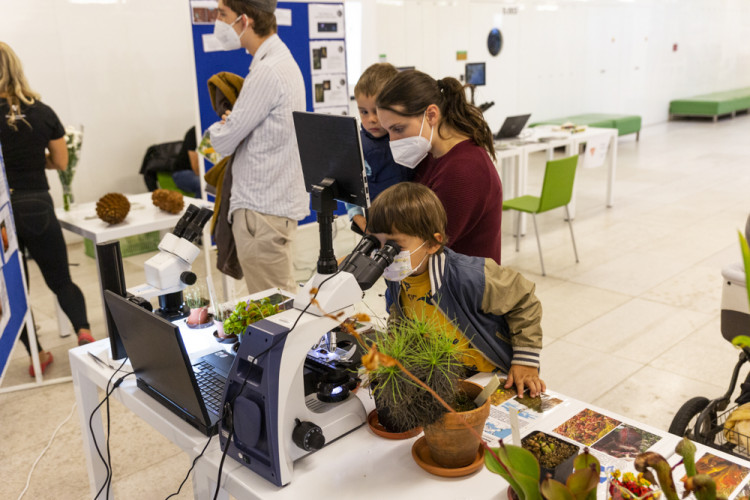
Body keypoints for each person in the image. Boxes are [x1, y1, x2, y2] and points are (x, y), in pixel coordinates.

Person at [369, 182, 544, 397]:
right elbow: (400, 310)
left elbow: (524, 299)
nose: (383, 255)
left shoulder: (470, 276)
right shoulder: (397, 274)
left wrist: (525, 361)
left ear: (433, 244)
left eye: (395, 246)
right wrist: (395, 343)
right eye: (378, 244)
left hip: (488, 374)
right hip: (446, 373)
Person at [0, 42, 95, 376]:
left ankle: (36, 354)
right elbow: (60, 160)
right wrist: (30, 160)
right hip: (37, 202)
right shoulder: (42, 111)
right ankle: (84, 332)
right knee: (60, 279)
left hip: (2, 212)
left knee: (15, 290)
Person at [207, 0, 308, 294]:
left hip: (261, 212)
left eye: (223, 15)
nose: (219, 22)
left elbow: (225, 140)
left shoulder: (268, 72)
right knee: (276, 300)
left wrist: (221, 126)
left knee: (275, 311)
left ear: (245, 20)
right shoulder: (279, 62)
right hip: (269, 209)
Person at [376, 70, 503, 263]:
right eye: (388, 132)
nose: (392, 141)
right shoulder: (431, 155)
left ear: (431, 115)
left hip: (462, 288)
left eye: (398, 129)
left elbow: (423, 250)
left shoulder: (463, 171)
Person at [345, 63, 412, 233]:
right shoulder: (357, 145)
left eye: (377, 111)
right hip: (376, 227)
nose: (372, 119)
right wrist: (357, 217)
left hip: (411, 225)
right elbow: (351, 187)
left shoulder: (410, 139)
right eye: (364, 112)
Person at [171, 126, 200, 197]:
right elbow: (196, 169)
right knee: (204, 184)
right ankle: (199, 207)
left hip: (199, 172)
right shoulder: (194, 132)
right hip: (182, 172)